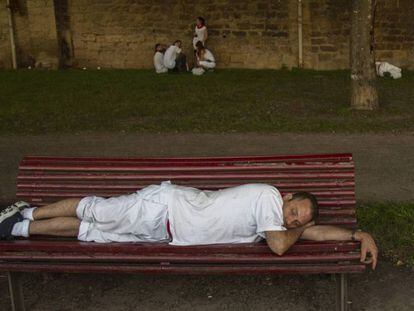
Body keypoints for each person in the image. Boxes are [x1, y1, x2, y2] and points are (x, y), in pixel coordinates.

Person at [0, 182, 378, 269]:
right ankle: (28, 211)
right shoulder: (268, 197)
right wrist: (293, 230)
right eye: (296, 210)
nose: (294, 220)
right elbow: (282, 244)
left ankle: (16, 229)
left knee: (87, 231)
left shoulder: (275, 223)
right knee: (93, 211)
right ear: (287, 198)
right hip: (161, 208)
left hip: (163, 233)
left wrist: (358, 234)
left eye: (300, 220)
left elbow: (301, 235)